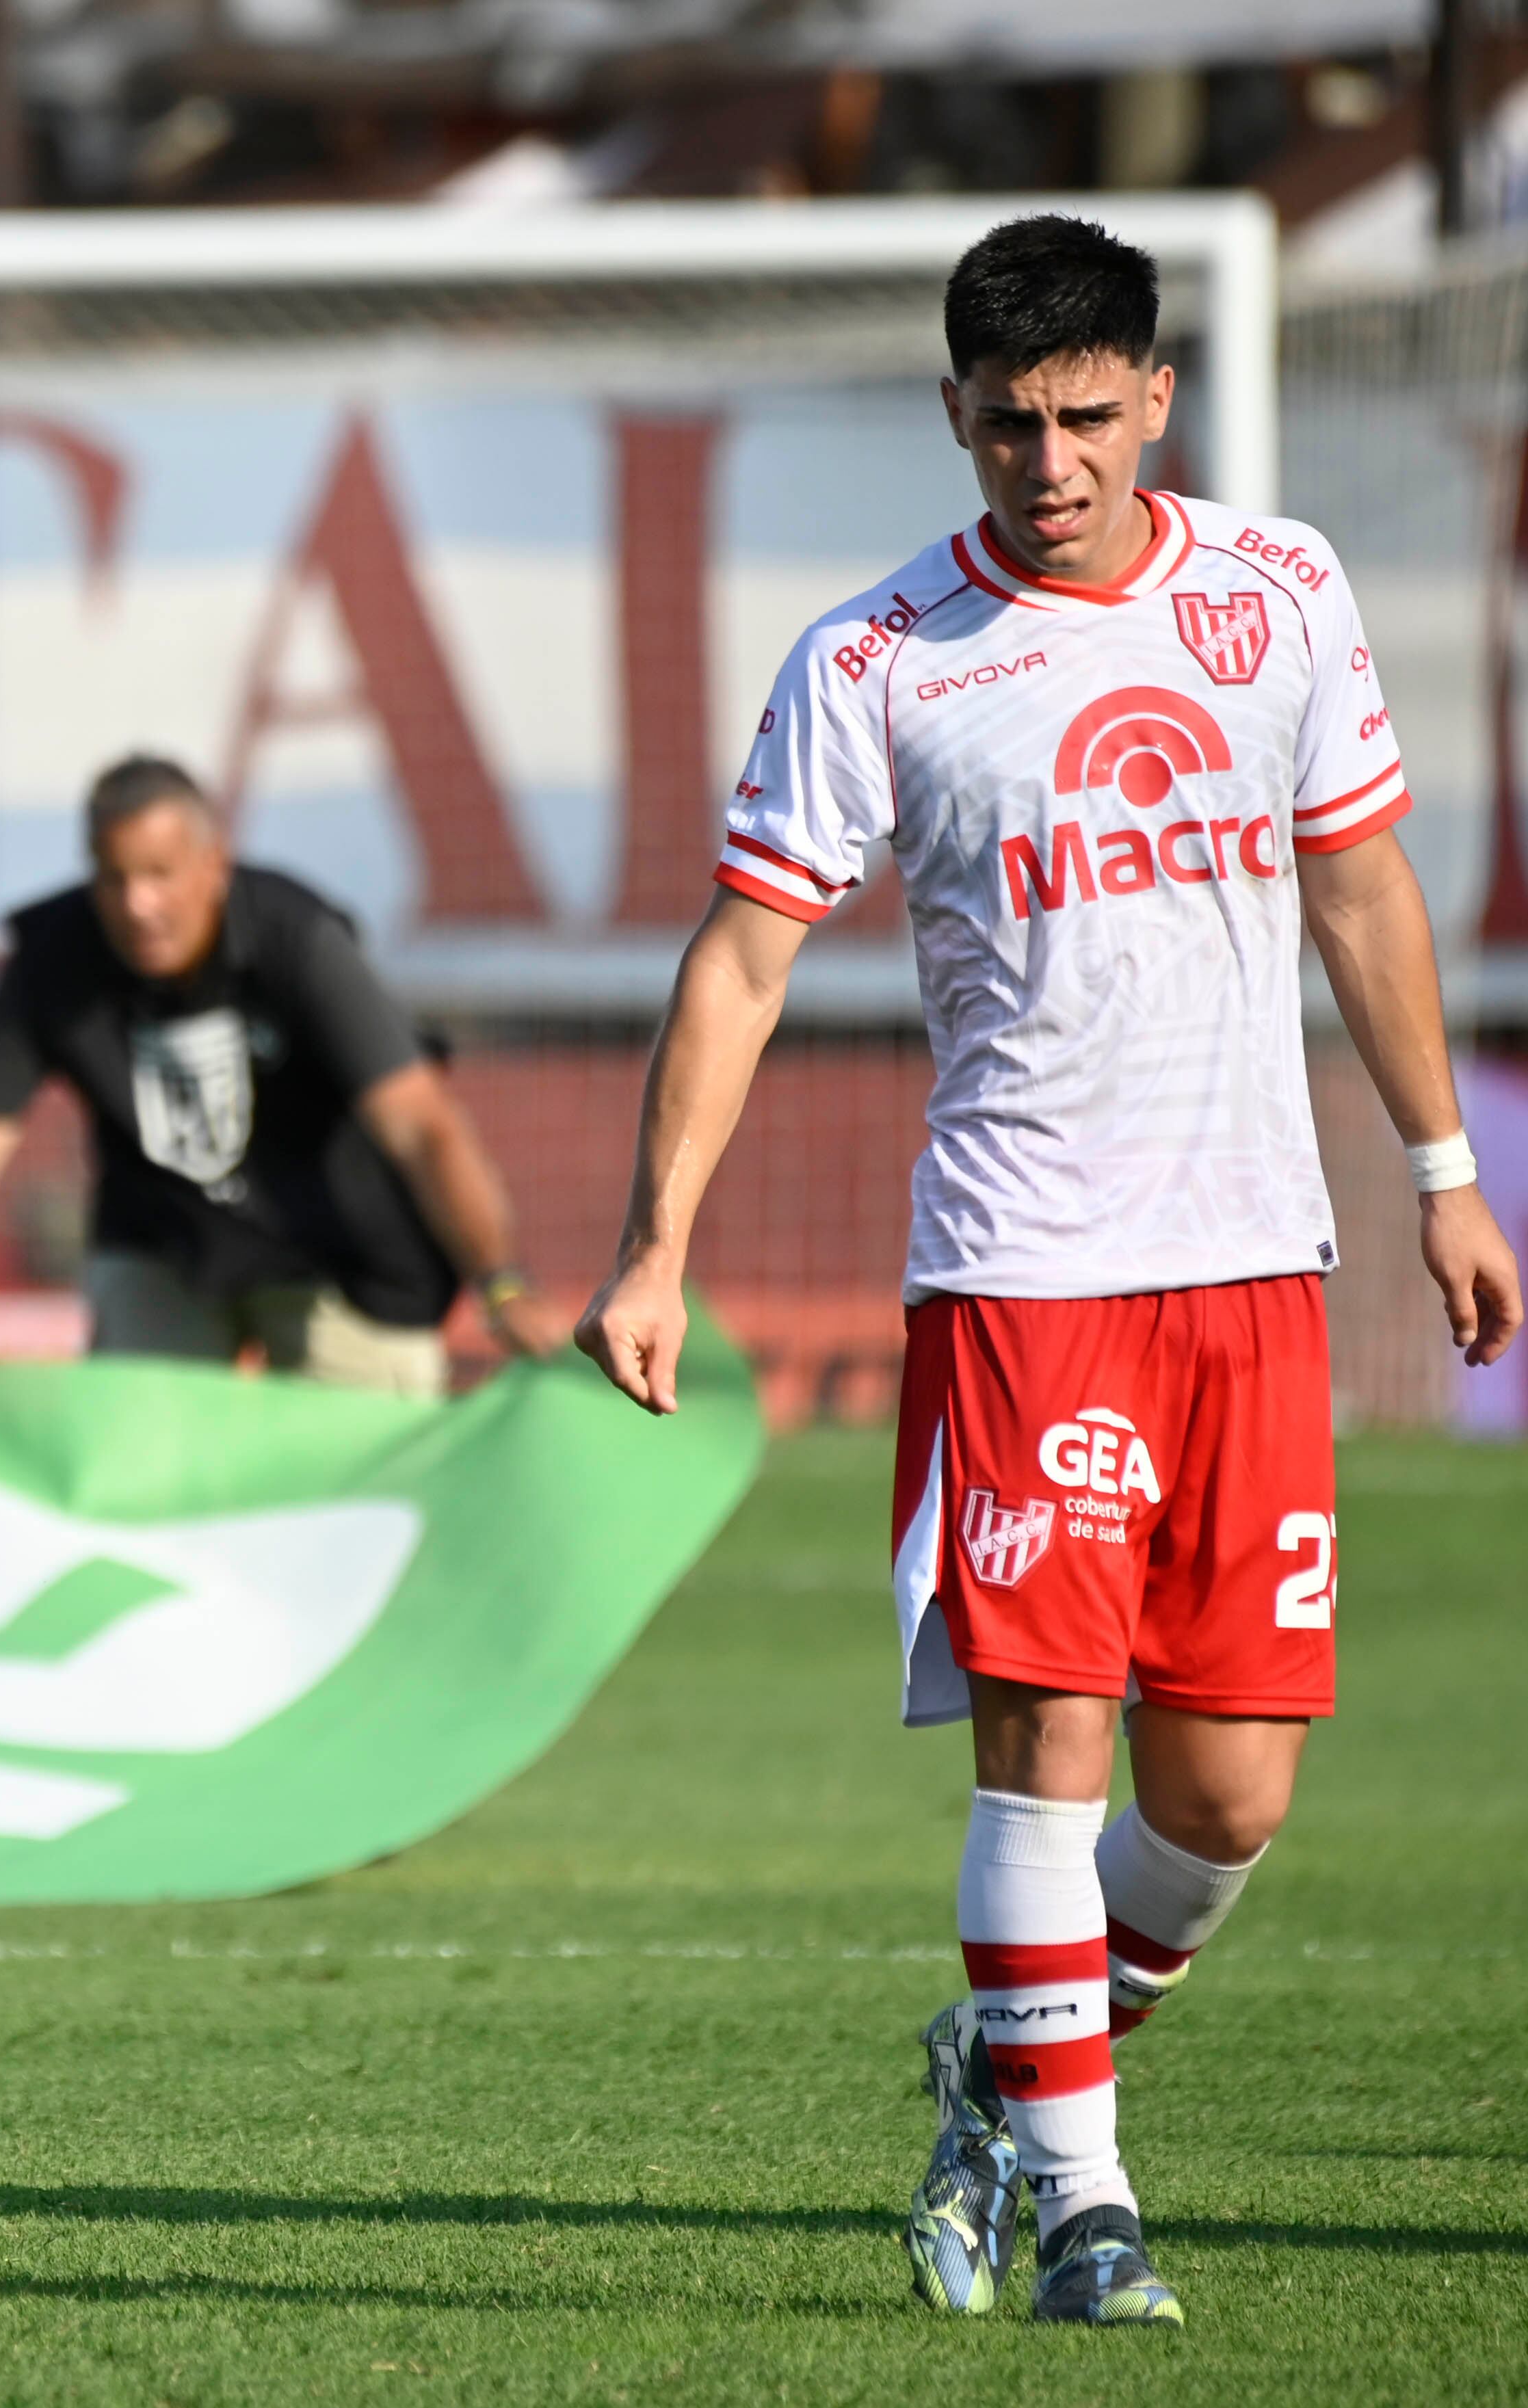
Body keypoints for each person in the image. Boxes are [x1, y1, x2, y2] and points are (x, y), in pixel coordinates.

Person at [574, 216, 1521, 2328]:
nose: (1053, 457)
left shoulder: (1281, 600)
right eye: (1012, 422)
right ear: (956, 420)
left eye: (1090, 414)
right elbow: (742, 957)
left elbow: (1361, 896)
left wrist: (1445, 1174)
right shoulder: (877, 657)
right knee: (1048, 1744)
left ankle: (1010, 2052)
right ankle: (1093, 2214)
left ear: (1155, 401)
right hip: (1024, 1278)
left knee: (1231, 1794)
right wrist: (657, 1247)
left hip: (1258, 1268)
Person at [0, 754, 558, 1396]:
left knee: (363, 1476)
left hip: (340, 1255)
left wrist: (499, 1283)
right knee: (134, 1464)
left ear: (214, 865)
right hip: (168, 1247)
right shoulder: (56, 958)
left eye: (160, 873)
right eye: (113, 876)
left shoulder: (295, 935)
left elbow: (421, 1125)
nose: (137, 903)